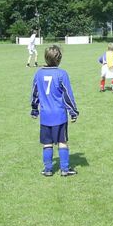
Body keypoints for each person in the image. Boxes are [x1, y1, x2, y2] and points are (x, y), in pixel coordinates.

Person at [30, 45, 79, 177]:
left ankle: (48, 170)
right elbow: (67, 95)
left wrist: (34, 109)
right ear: (59, 59)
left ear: (45, 58)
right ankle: (64, 169)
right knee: (62, 142)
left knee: (47, 143)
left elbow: (35, 94)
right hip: (59, 115)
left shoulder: (38, 73)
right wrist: (73, 112)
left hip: (45, 116)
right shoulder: (62, 74)